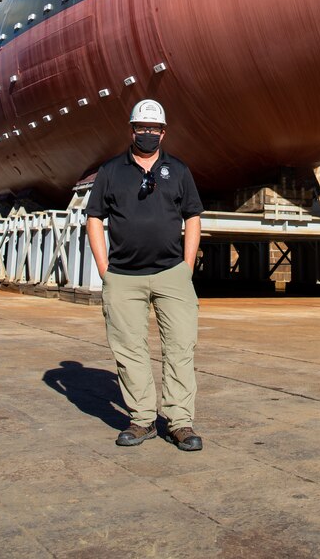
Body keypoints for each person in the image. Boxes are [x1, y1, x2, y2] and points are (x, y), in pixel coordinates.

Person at [85, 99, 204, 451]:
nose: (147, 134)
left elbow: (193, 216)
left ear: (163, 132)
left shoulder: (179, 170)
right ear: (132, 129)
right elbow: (94, 217)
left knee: (180, 347)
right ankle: (141, 420)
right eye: (141, 128)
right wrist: (104, 269)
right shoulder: (110, 171)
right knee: (129, 350)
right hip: (123, 277)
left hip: (172, 274)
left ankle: (180, 422)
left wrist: (187, 266)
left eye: (153, 129)